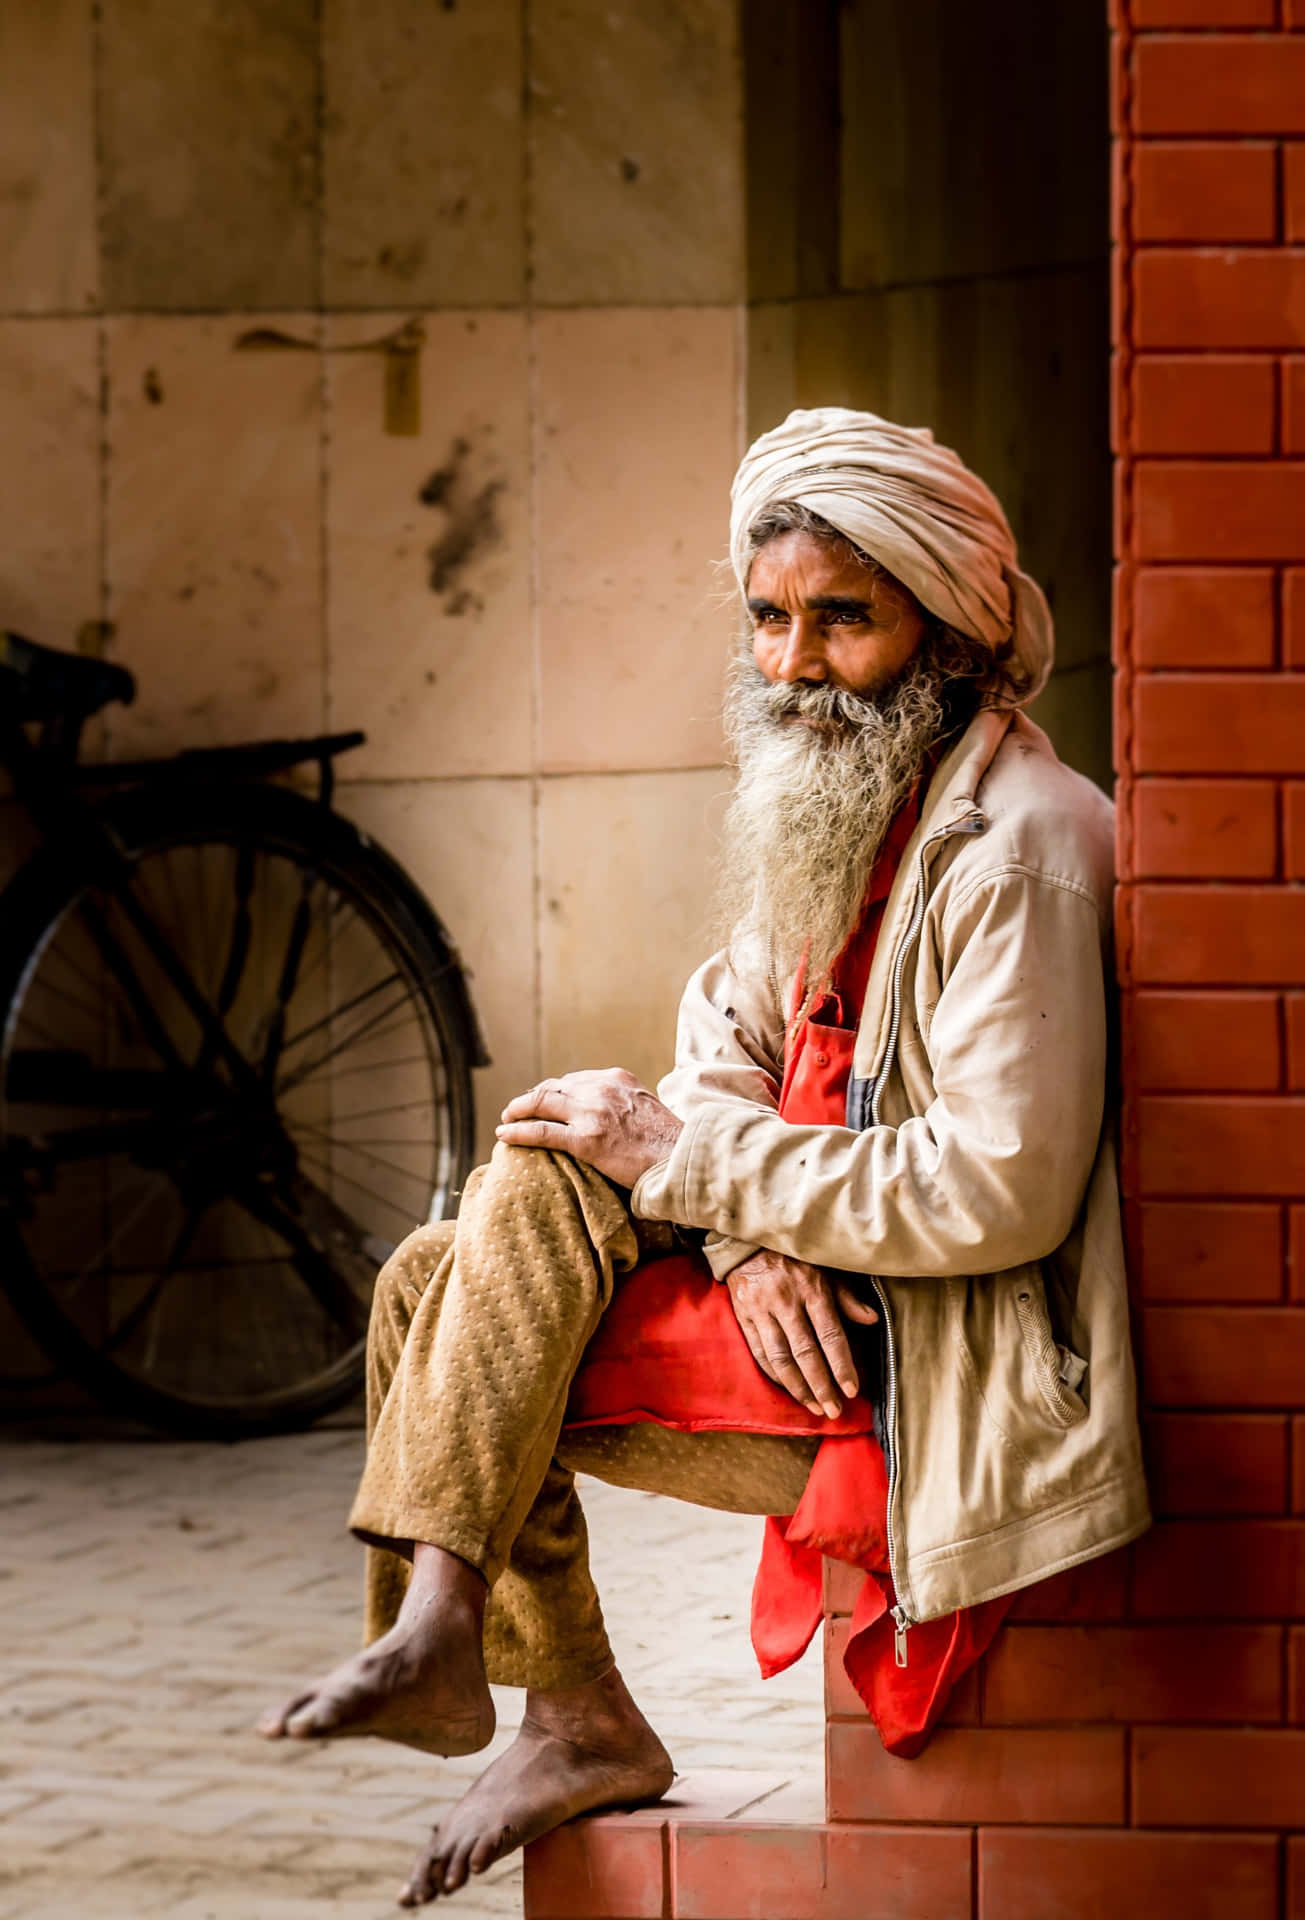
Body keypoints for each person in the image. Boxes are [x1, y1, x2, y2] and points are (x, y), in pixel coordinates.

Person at [259, 408, 1150, 1906]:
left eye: (840, 621)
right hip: (807, 1306)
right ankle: (525, 1675)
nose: (792, 665)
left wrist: (686, 1166)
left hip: (929, 1360)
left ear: (949, 629)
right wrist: (743, 1233)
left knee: (488, 1242)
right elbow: (719, 1057)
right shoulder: (838, 806)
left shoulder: (1021, 845)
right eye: (766, 619)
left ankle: (486, 1646)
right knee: (479, 1237)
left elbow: (996, 1187)